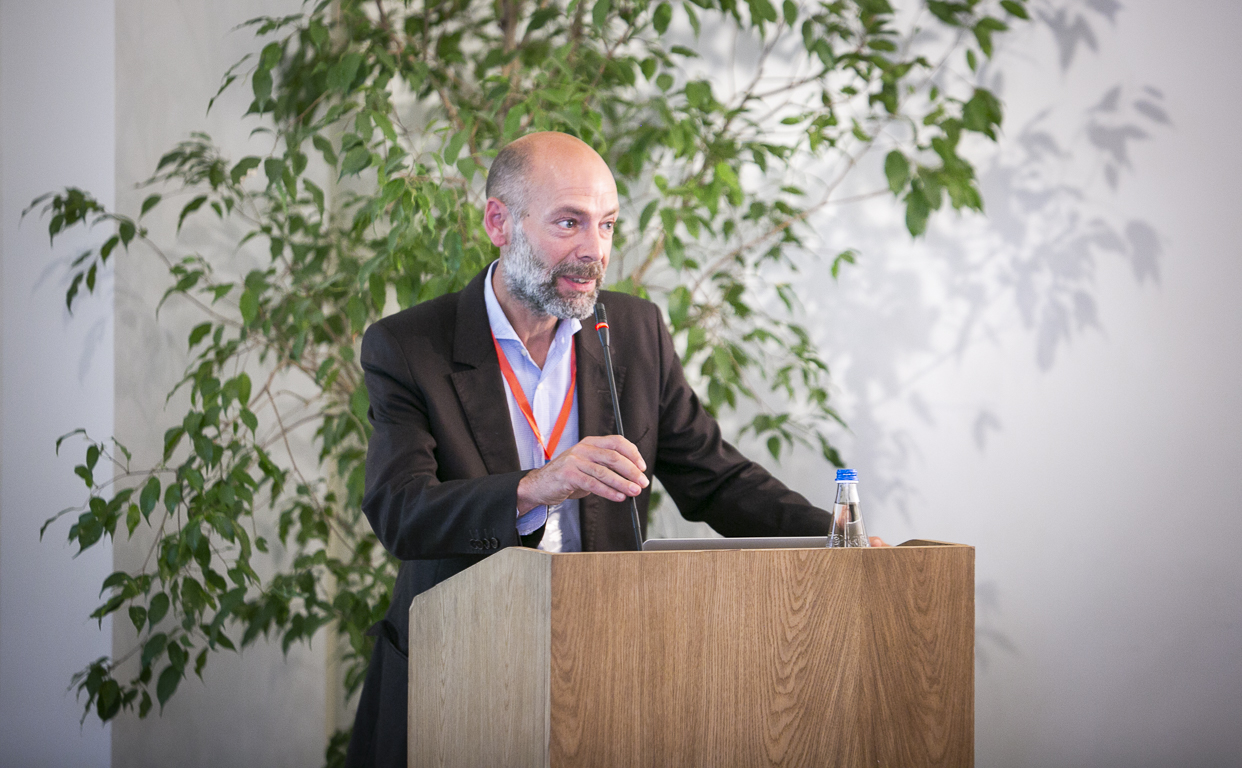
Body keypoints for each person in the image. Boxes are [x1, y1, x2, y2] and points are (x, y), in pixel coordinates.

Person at [344, 131, 880, 767]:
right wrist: (537, 486)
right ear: (498, 223)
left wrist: (836, 542)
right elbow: (401, 511)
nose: (593, 251)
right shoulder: (410, 346)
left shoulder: (633, 329)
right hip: (460, 670)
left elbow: (716, 477)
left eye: (607, 225)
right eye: (568, 223)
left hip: (606, 665)